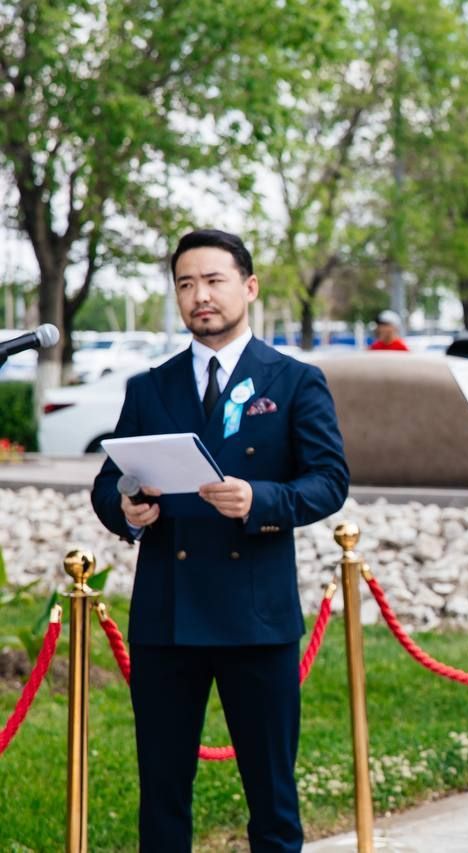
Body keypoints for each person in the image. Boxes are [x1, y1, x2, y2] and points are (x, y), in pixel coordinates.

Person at [91, 229, 350, 851]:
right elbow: (106, 483)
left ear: (249, 287)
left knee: (272, 800)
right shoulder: (149, 386)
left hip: (255, 618)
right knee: (161, 796)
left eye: (213, 280)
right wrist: (127, 508)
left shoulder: (293, 380)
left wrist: (260, 499)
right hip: (167, 618)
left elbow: (329, 480)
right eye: (186, 284)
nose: (200, 295)